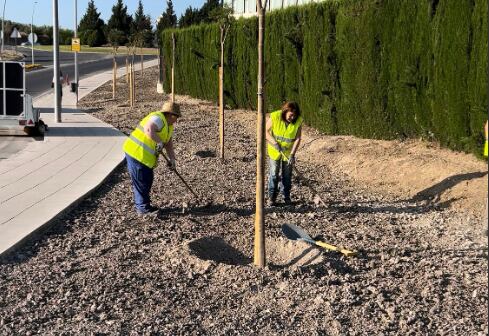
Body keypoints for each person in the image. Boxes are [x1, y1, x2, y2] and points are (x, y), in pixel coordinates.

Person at [123, 101, 181, 215]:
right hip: (136, 153)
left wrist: (172, 159)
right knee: (142, 180)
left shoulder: (169, 126)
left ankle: (144, 205)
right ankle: (143, 208)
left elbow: (168, 143)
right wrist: (158, 142)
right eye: (176, 116)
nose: (177, 119)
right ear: (171, 114)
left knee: (147, 179)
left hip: (144, 157)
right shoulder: (158, 118)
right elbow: (149, 129)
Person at [266, 101, 303, 206]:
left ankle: (286, 197)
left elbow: (298, 138)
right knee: (274, 174)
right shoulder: (275, 116)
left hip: (287, 153)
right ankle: (272, 198)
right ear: (286, 111)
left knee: (287, 175)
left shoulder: (298, 121)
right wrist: (274, 143)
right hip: (274, 151)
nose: (292, 118)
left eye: (294, 116)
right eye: (291, 115)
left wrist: (292, 154)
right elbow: (265, 131)